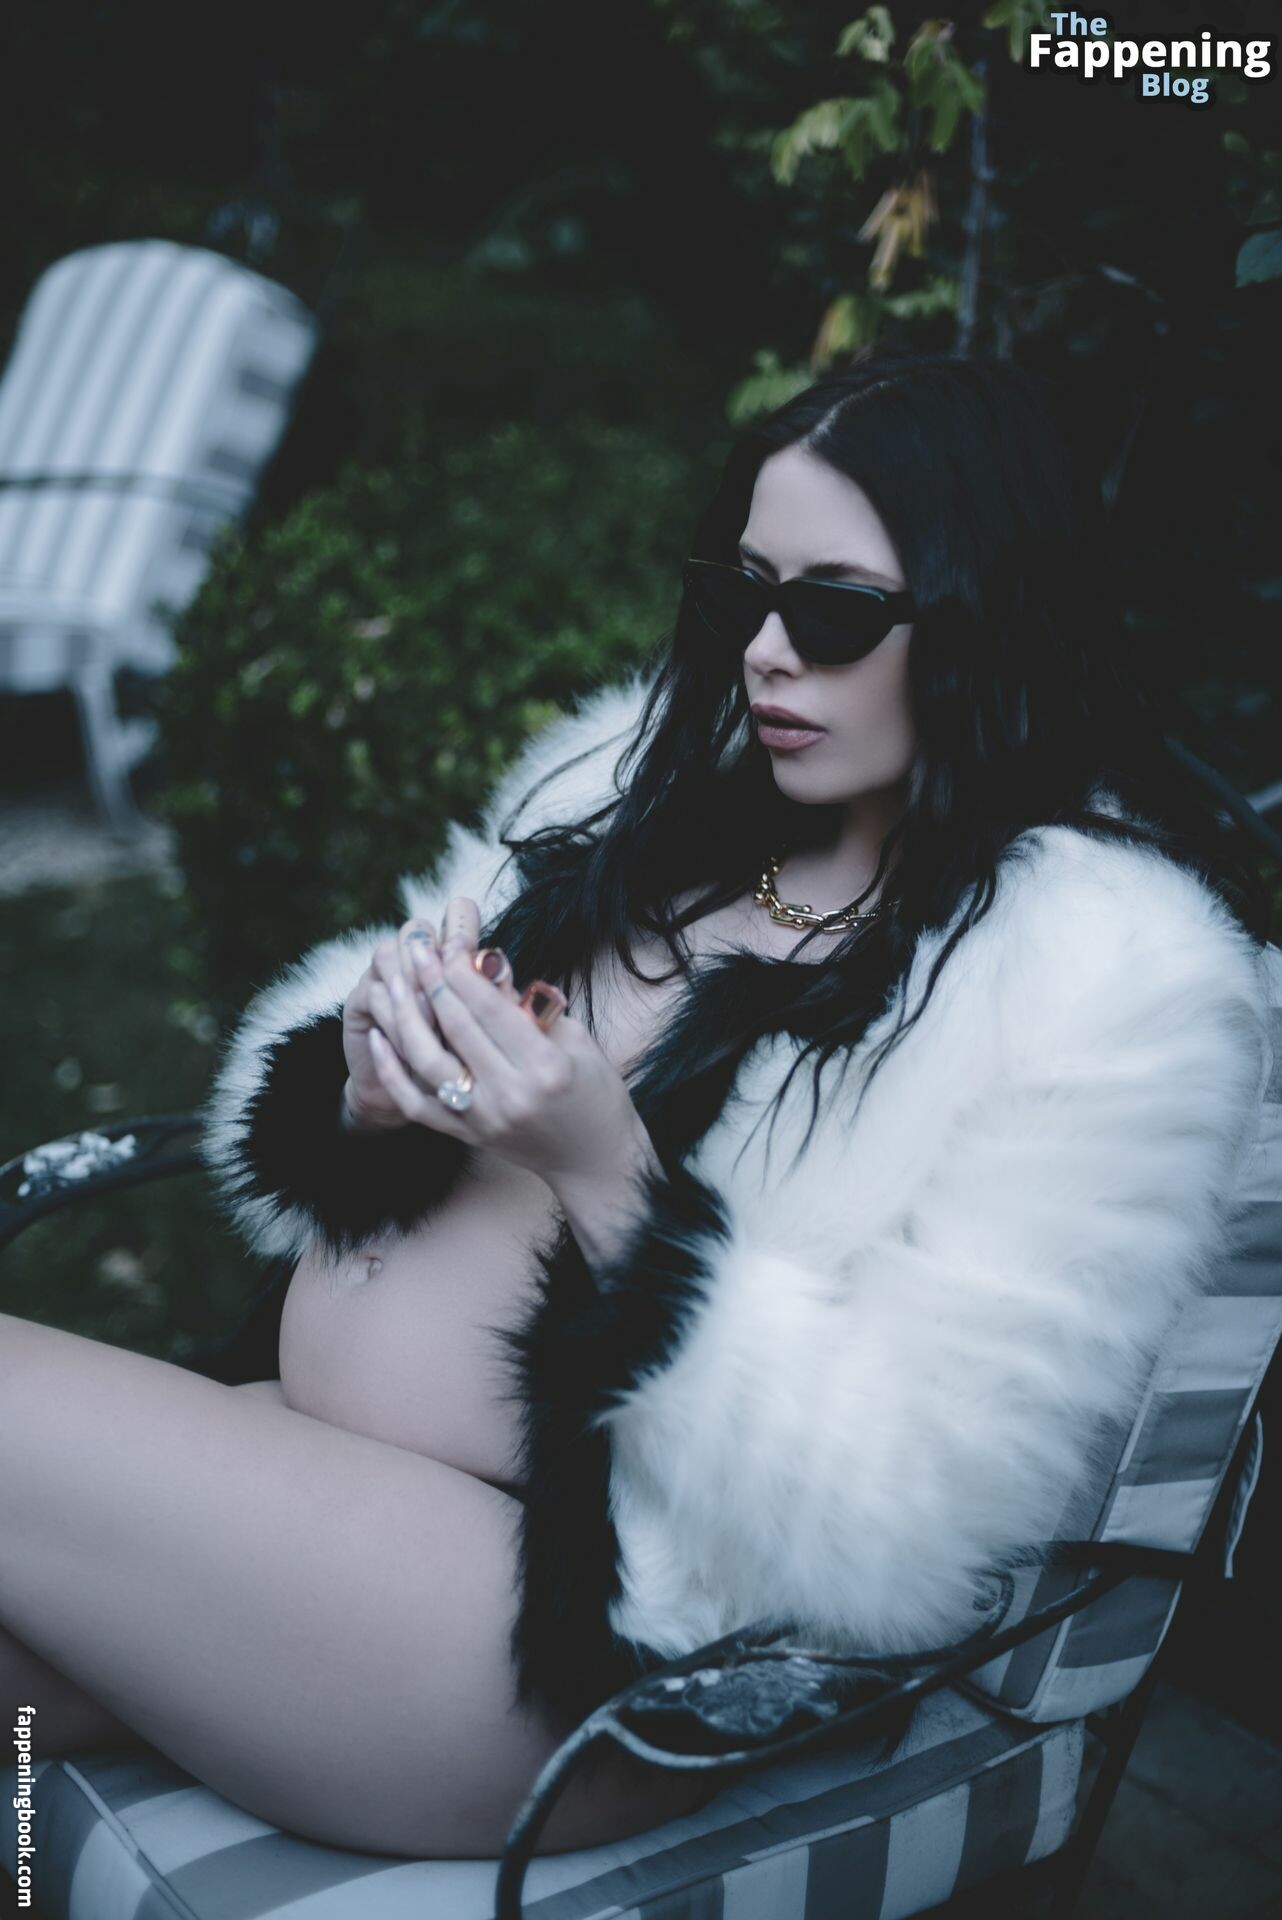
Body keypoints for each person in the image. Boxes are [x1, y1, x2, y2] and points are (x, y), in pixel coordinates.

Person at [1, 348, 1272, 1864]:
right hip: (335, 1490)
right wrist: (367, 1082)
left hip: (577, 1646)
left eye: (837, 612)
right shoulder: (653, 793)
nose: (767, 654)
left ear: (989, 614)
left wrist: (612, 1178)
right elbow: (326, 1068)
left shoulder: (1093, 976)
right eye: (745, 594)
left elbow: (910, 1512)